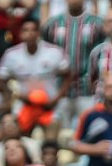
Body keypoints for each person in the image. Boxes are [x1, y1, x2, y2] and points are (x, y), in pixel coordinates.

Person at [0, 17, 71, 138]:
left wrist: (57, 98)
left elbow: (68, 75)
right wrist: (14, 95)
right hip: (24, 105)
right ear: (20, 34)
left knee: (51, 142)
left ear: (38, 33)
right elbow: (1, 79)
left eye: (33, 30)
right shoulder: (11, 55)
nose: (30, 34)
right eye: (26, 30)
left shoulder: (54, 52)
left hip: (49, 105)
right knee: (19, 137)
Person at [41, 0, 105, 130]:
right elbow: (44, 53)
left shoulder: (97, 23)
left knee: (90, 129)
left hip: (87, 89)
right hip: (59, 90)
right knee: (60, 131)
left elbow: (103, 53)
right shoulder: (52, 24)